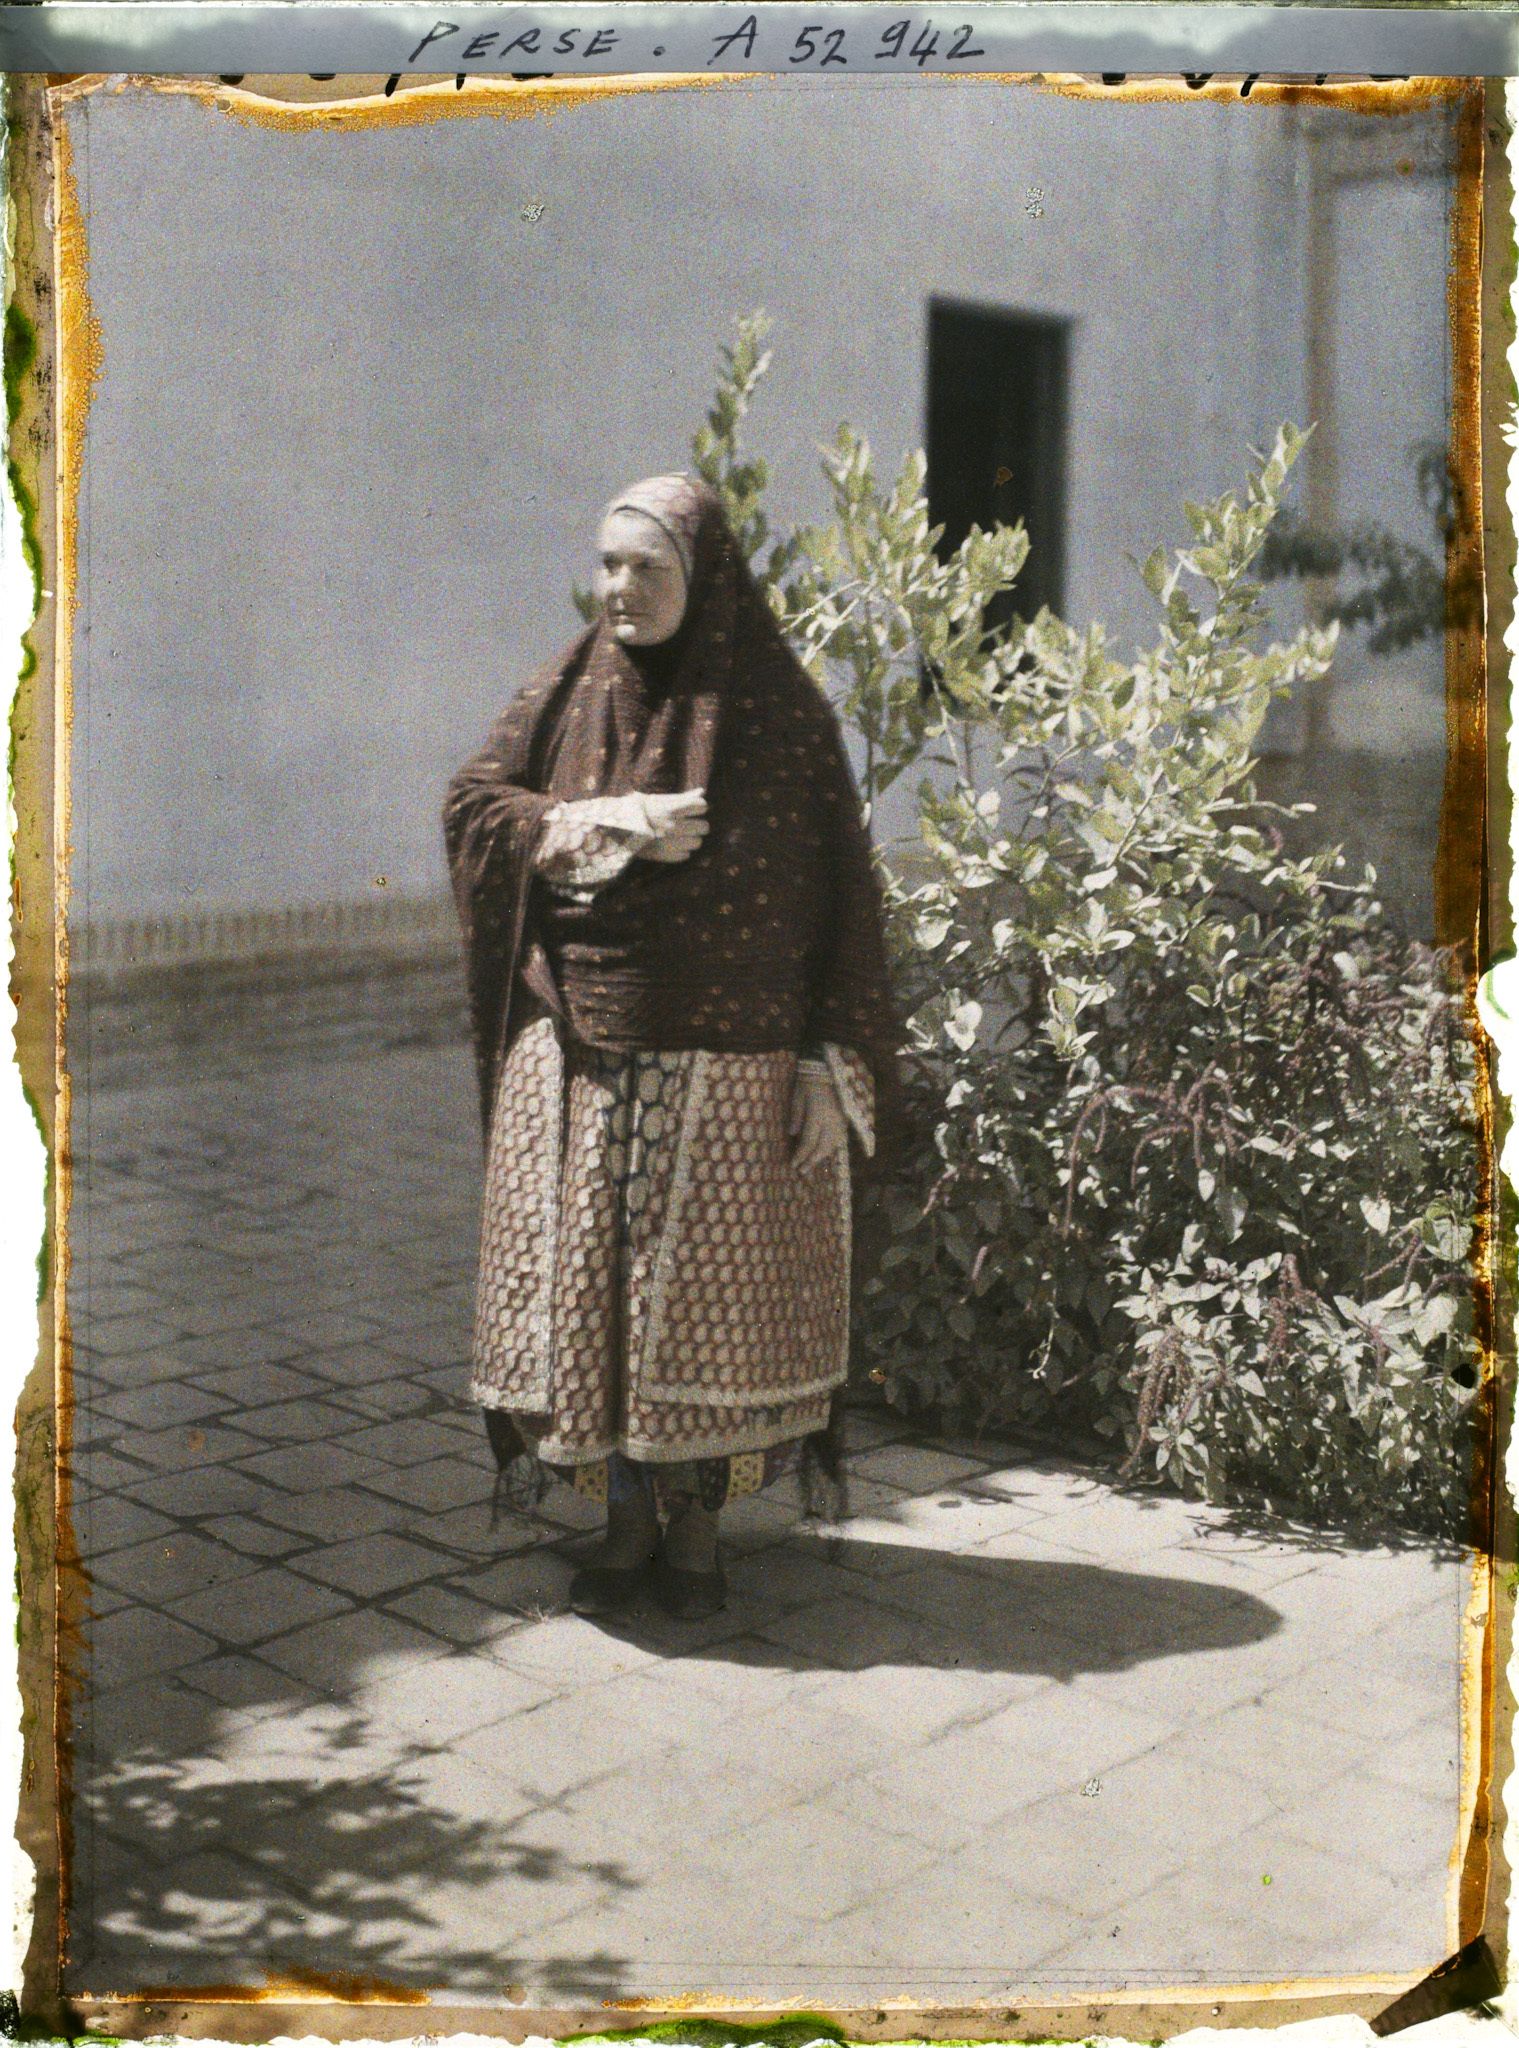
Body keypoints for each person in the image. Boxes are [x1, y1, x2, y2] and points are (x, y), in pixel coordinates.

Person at [444, 473, 899, 1621]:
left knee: (701, 1314)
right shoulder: (567, 688)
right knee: (595, 1302)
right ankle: (623, 1520)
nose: (619, 587)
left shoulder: (781, 716)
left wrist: (825, 1060)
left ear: (704, 577)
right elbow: (473, 804)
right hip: (583, 1051)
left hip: (733, 1067)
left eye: (646, 567)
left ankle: (694, 1529)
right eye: (607, 563)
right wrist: (602, 823)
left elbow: (845, 898)